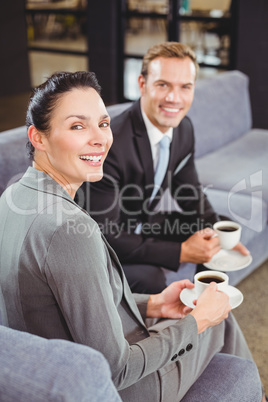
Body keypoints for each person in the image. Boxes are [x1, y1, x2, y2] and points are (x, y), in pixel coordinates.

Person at [0, 71, 264, 402]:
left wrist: (154, 302)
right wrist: (197, 321)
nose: (99, 139)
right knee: (216, 318)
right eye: (78, 126)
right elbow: (116, 370)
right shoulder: (67, 230)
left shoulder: (13, 200)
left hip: (58, 357)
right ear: (38, 138)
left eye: (104, 123)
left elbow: (67, 304)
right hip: (127, 389)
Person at [79, 42, 250, 294]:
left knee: (215, 230)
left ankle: (205, 304)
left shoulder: (183, 128)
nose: (174, 98)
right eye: (163, 85)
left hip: (144, 223)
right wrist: (181, 251)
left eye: (185, 87)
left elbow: (188, 190)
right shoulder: (110, 143)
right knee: (150, 278)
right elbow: (106, 233)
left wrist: (218, 233)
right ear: (142, 85)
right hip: (102, 242)